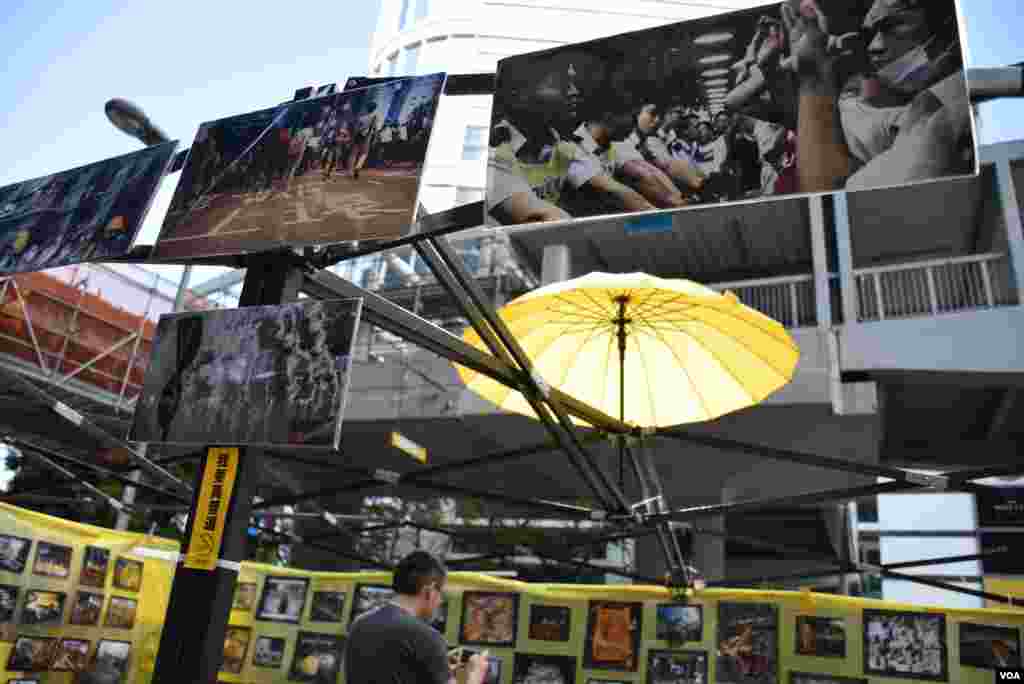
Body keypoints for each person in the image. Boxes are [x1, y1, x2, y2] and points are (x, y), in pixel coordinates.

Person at [783, 0, 972, 192]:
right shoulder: (923, 108)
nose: (874, 46)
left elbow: (833, 202)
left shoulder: (944, 122)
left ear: (950, 27)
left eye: (893, 26)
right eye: (871, 34)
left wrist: (813, 75)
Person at [345, 551, 491, 684]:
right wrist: (475, 675)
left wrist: (438, 667)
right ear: (429, 590)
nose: (440, 601)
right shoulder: (427, 636)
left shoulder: (359, 624)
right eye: (441, 594)